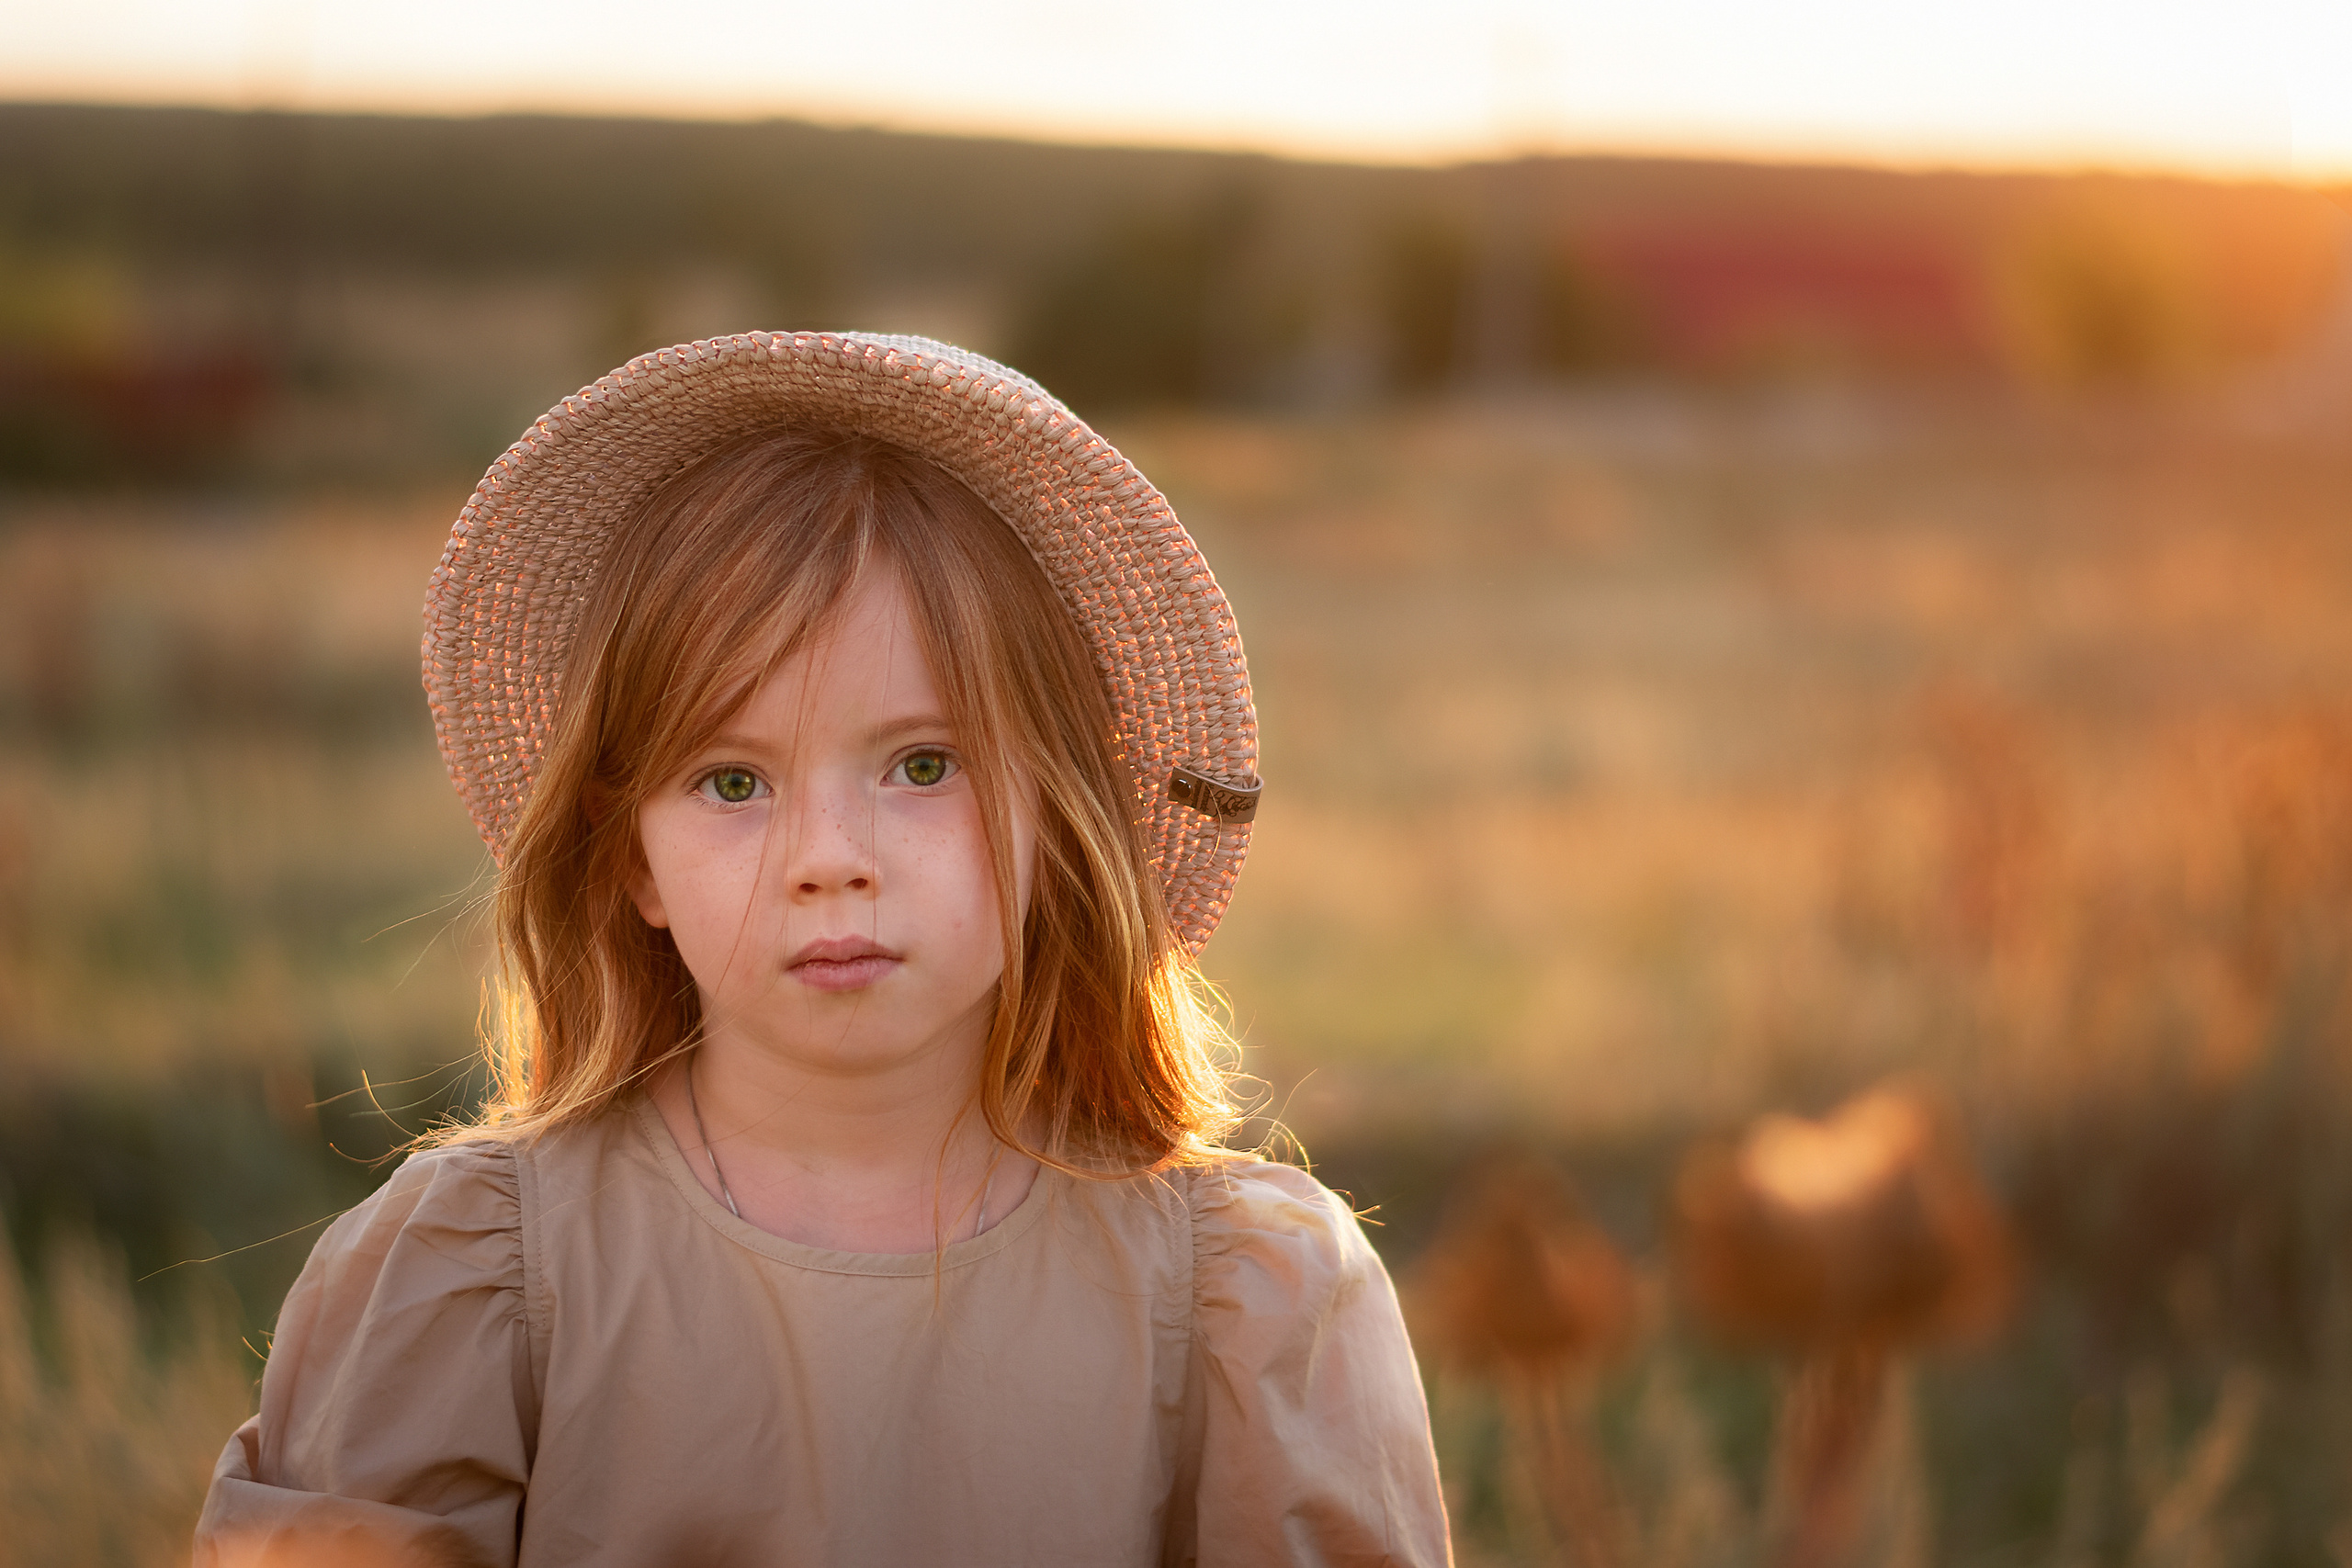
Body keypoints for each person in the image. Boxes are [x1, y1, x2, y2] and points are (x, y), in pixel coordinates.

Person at [192, 333, 1451, 1567]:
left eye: (921, 765)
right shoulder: (474, 1276)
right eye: (733, 781)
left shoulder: (1242, 1299)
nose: (827, 856)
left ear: (1057, 819)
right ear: (630, 858)